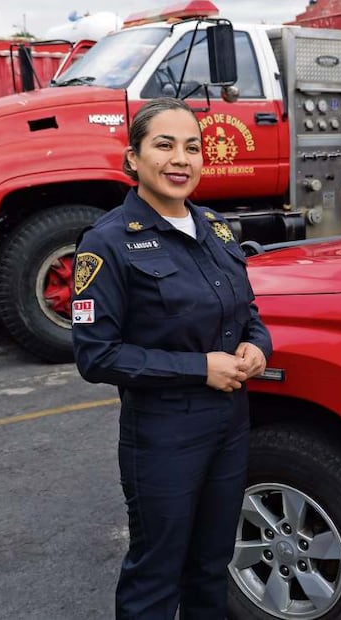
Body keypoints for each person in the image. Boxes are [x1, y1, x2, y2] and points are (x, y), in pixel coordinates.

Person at [71, 97, 271, 619]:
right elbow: (97, 355)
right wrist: (199, 368)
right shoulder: (108, 242)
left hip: (230, 424)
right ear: (133, 158)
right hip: (163, 435)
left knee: (211, 565)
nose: (180, 159)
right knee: (157, 575)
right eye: (164, 145)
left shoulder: (215, 228)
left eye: (192, 147)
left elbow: (247, 310)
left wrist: (257, 344)